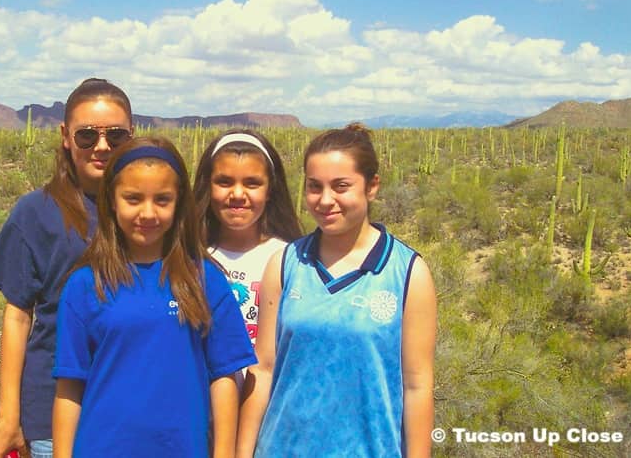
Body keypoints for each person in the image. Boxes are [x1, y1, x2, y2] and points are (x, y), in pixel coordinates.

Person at [237, 124, 437, 458]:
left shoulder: (406, 273)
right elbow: (264, 368)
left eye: (341, 186)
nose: (325, 200)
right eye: (315, 187)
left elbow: (417, 386)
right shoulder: (285, 265)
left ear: (372, 186)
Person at [51, 137, 257, 458]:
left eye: (162, 200)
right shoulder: (85, 284)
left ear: (179, 204)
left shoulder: (203, 279)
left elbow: (225, 376)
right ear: (112, 201)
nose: (148, 213)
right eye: (133, 199)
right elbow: (69, 388)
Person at [0, 78, 134, 458]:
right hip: (53, 412)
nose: (102, 147)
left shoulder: (151, 212)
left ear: (132, 136)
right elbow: (18, 316)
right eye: (87, 136)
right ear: (66, 136)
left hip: (133, 408)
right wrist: (8, 415)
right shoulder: (36, 212)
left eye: (116, 135)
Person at [193, 130, 302, 351]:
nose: (237, 194)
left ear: (270, 189)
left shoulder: (289, 260)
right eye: (224, 182)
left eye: (252, 183)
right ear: (208, 186)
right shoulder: (189, 255)